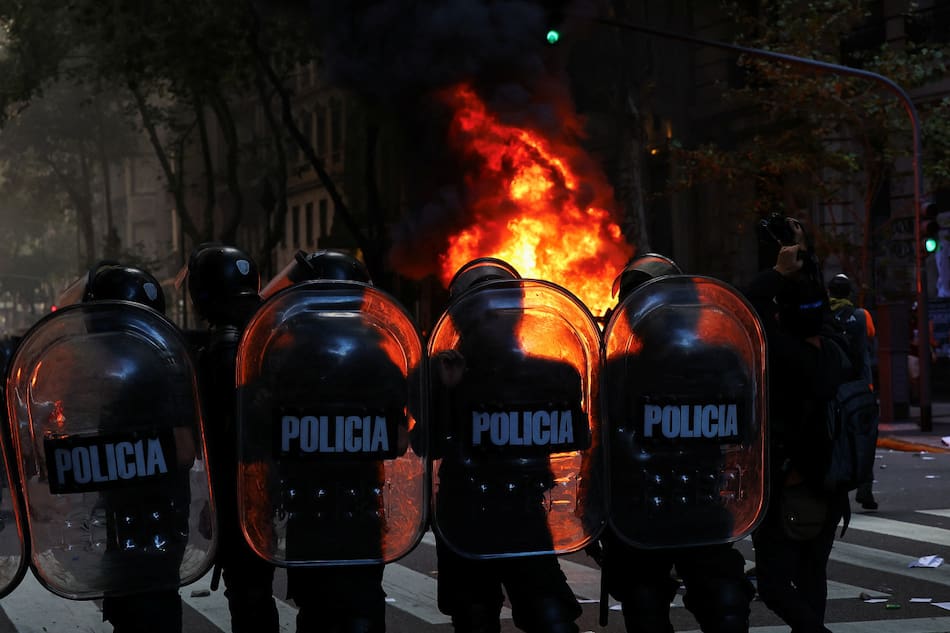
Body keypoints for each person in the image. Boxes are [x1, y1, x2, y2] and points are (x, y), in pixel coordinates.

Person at [595, 253, 756, 633]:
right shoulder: (617, 368)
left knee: (719, 602)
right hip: (647, 508)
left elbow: (747, 432)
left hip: (690, 502)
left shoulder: (719, 362)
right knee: (650, 602)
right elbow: (602, 445)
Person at [429, 257, 585, 633]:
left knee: (548, 616)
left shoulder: (553, 372)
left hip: (523, 513)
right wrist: (446, 392)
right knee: (477, 616)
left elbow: (580, 438)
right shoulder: (439, 372)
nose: (490, 321)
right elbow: (426, 445)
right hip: (466, 516)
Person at [745, 216, 851, 633]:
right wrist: (805, 259)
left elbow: (748, 305)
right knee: (812, 576)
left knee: (773, 585)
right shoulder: (835, 346)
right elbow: (817, 304)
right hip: (831, 483)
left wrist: (777, 273)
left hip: (791, 481)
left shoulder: (779, 352)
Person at [81, 262, 198, 633]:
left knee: (151, 612)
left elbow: (182, 450)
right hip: (129, 521)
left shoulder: (156, 371)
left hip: (153, 521)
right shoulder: (127, 369)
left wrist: (113, 458)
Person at [186, 243, 279, 633]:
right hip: (275, 489)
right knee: (256, 592)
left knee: (249, 595)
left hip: (241, 493)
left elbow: (212, 441)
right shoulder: (272, 340)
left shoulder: (221, 355)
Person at [827, 273, 879, 511]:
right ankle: (865, 488)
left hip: (833, 386)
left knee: (835, 437)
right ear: (849, 293)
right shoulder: (861, 316)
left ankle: (835, 484)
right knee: (865, 437)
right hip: (860, 387)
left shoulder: (823, 316)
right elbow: (870, 340)